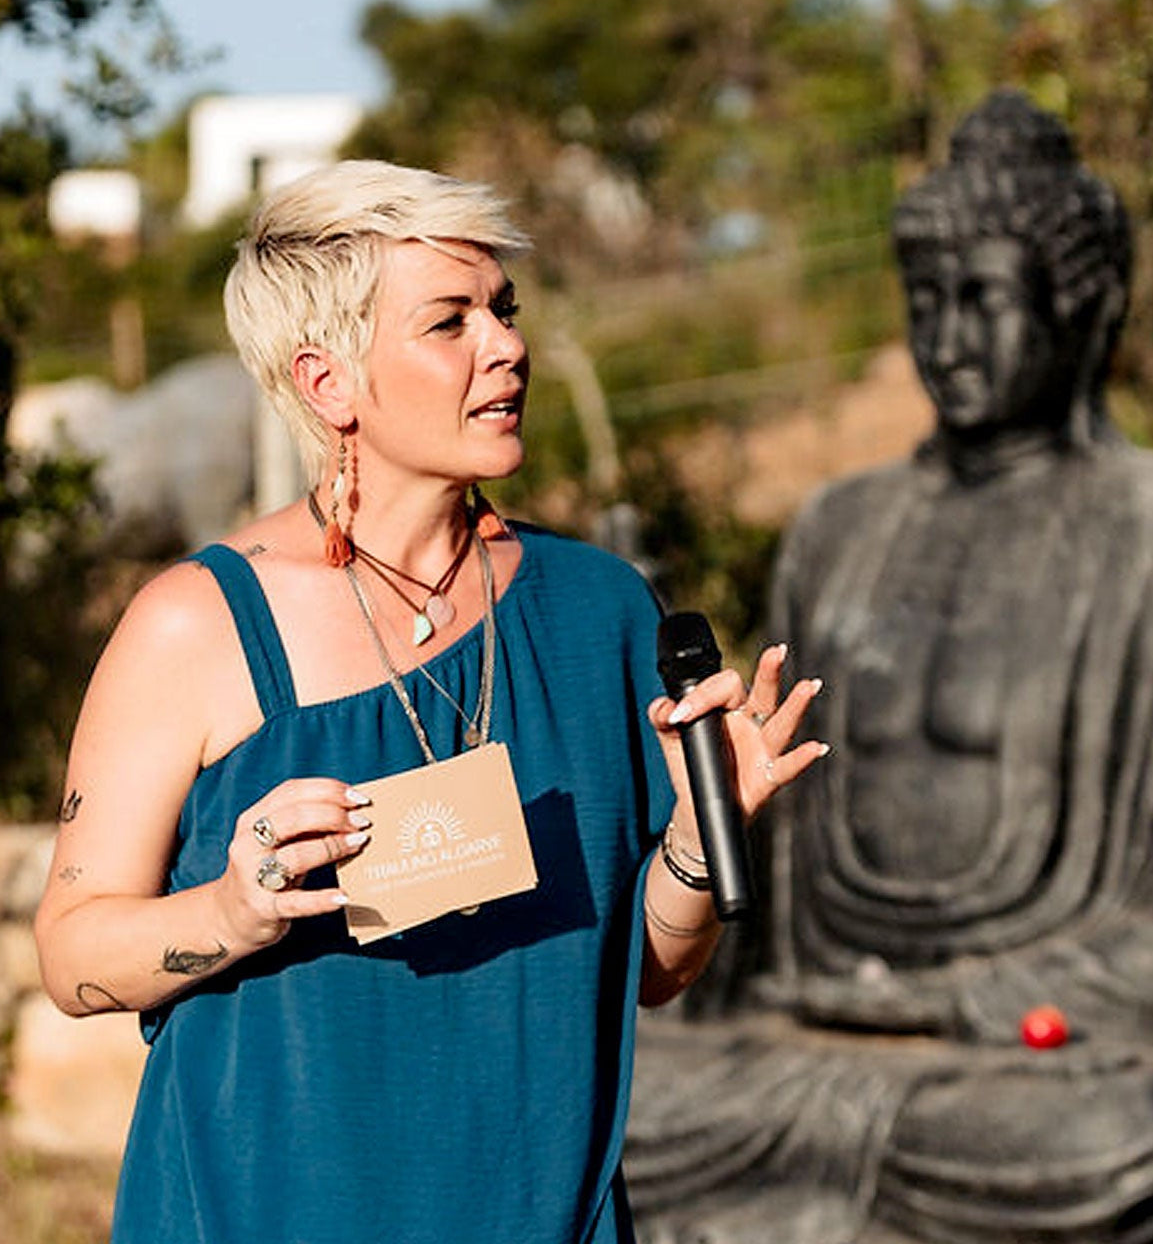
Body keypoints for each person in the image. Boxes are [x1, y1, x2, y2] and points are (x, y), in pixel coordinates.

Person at [34, 159, 824, 1244]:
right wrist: (234, 908)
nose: (505, 347)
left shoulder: (602, 613)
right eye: (448, 323)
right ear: (328, 385)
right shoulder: (196, 627)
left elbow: (642, 973)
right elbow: (74, 961)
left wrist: (697, 834)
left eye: (501, 310)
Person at [627, 92, 1153, 1242]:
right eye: (923, 302)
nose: (946, 340)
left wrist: (959, 1000)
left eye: (984, 302)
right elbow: (774, 822)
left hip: (1025, 1062)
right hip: (786, 1044)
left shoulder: (1142, 529)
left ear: (1083, 306)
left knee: (1123, 1135)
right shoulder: (838, 526)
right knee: (622, 1093)